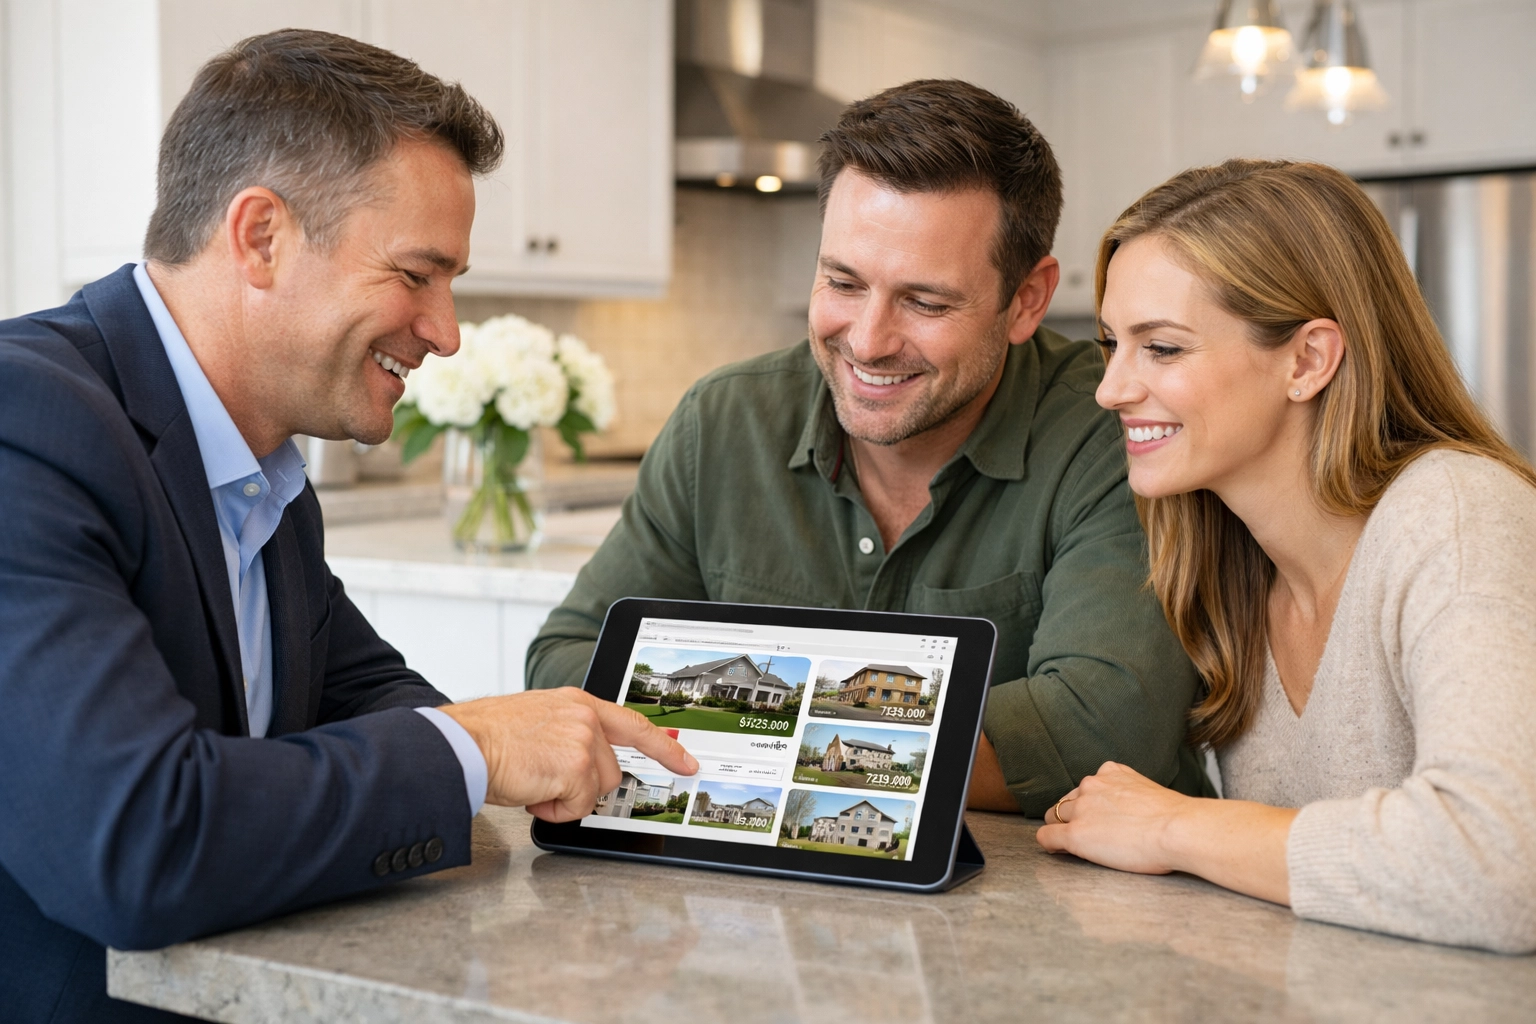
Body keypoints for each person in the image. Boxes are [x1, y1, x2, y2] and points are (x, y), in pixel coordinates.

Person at [0, 30, 694, 1023]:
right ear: (262, 237)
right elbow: (137, 840)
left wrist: (545, 746)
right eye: (418, 273)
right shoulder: (25, 423)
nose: (448, 330)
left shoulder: (263, 465)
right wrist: (479, 751)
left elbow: (357, 691)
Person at [528, 79, 1212, 813]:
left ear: (1027, 300)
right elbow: (568, 665)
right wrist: (819, 741)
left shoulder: (1116, 431)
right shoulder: (723, 420)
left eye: (925, 301)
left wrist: (758, 731)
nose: (868, 340)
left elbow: (1100, 729)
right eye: (843, 282)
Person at [1038, 158, 1536, 954]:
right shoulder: (1235, 573)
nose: (1111, 388)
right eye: (1110, 344)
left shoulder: (1456, 516)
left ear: (1307, 360)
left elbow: (1499, 866)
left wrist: (1173, 825)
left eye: (1162, 348)